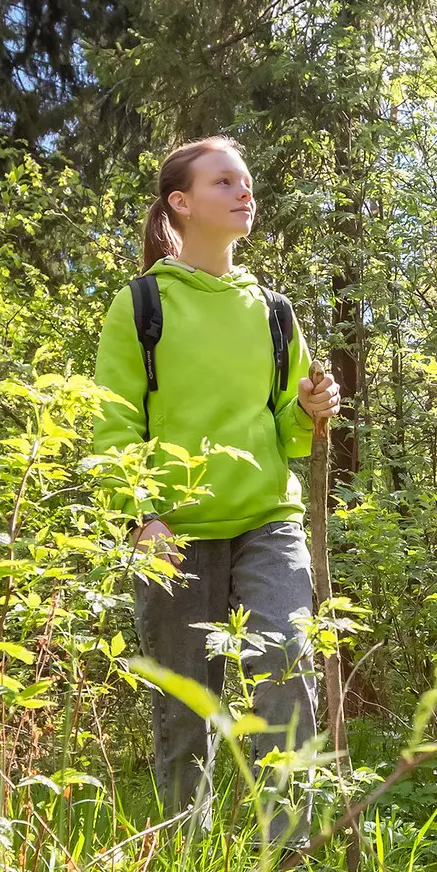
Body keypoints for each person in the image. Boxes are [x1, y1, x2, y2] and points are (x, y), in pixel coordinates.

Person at [91, 135, 342, 828]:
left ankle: (288, 861)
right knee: (186, 713)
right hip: (173, 535)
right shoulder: (141, 305)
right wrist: (141, 516)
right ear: (182, 202)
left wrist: (313, 408)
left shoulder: (273, 311)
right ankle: (188, 861)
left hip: (268, 522)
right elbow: (112, 428)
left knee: (286, 677)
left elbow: (291, 430)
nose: (245, 192)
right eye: (225, 181)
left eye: (247, 181)